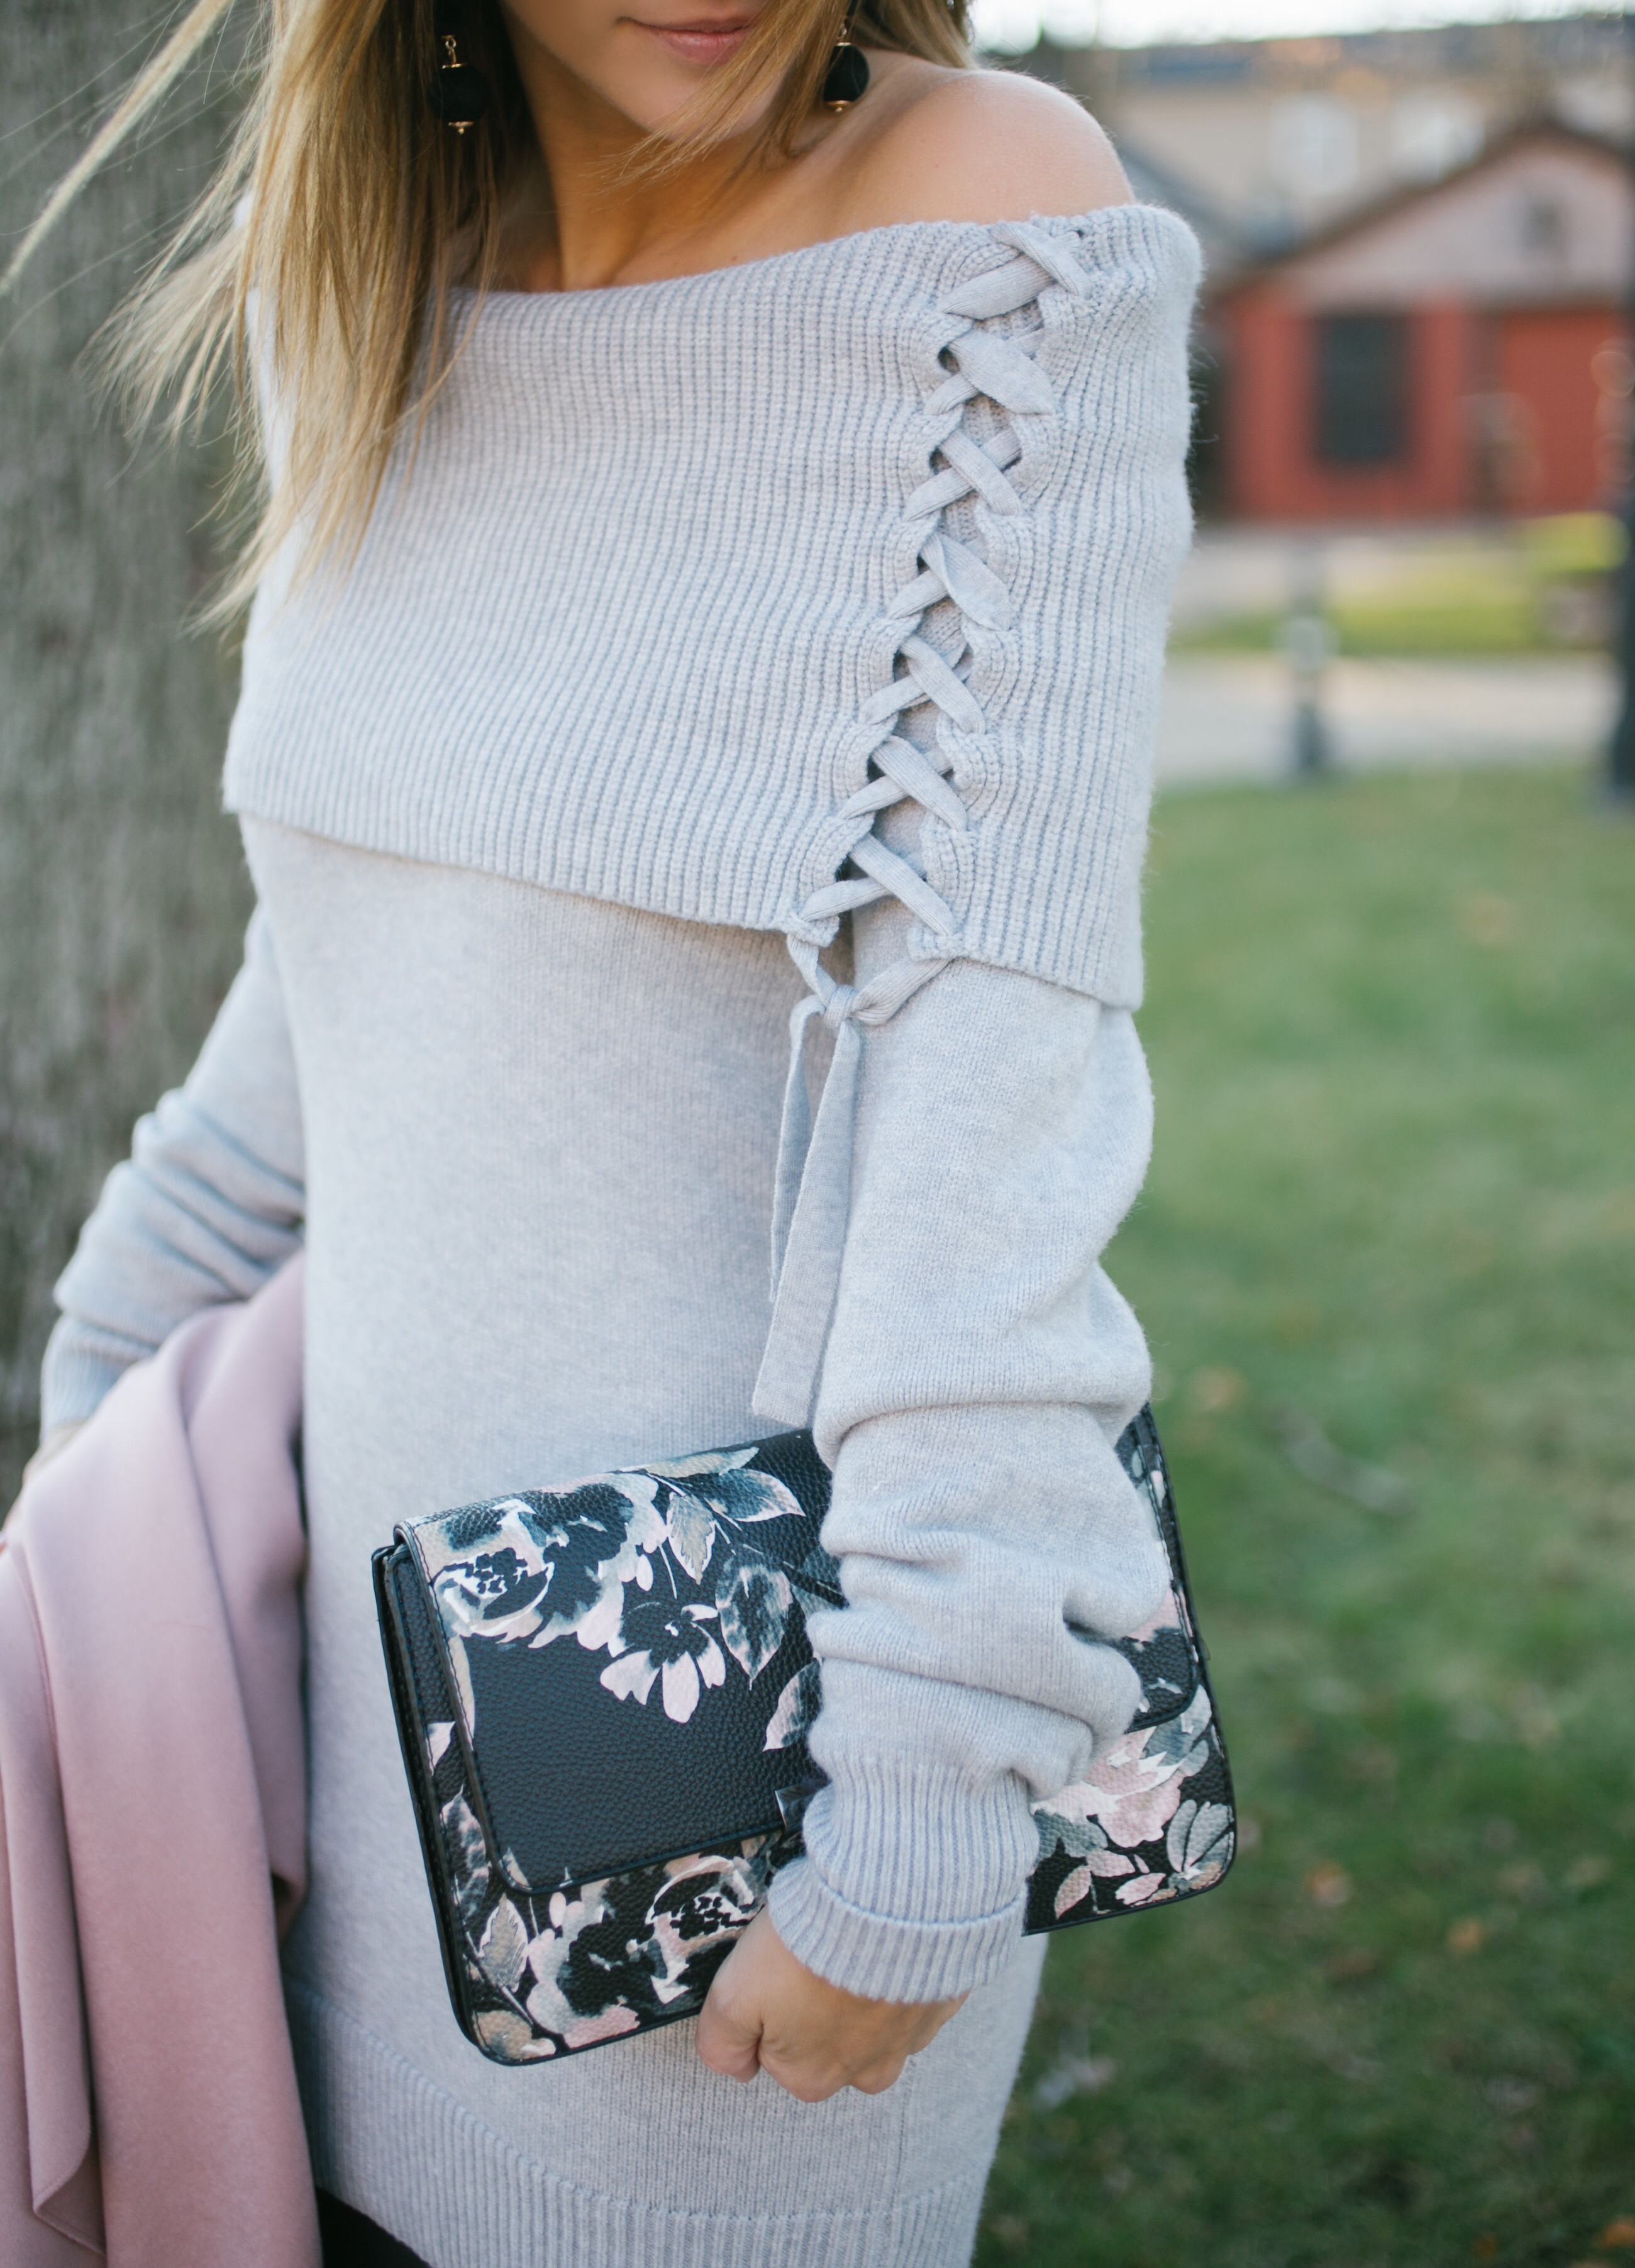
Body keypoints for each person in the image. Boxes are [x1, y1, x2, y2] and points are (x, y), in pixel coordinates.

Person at [19, 0, 1199, 2259]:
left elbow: (996, 1100)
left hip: (740, 1763)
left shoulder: (988, 223)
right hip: (324, 1726)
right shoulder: (370, 287)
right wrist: (91, 1459)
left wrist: (930, 1786)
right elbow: (341, 982)